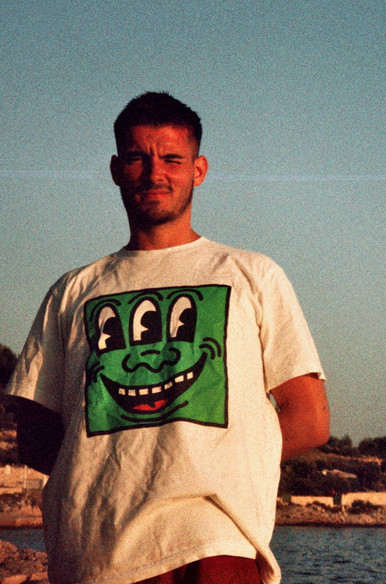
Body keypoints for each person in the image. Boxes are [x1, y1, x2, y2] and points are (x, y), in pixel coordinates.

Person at [6, 92, 329, 584]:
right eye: (138, 157)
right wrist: (118, 471)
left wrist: (206, 462)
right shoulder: (72, 291)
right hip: (96, 554)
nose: (155, 173)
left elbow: (310, 418)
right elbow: (35, 436)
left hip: (217, 544)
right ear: (116, 169)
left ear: (199, 170)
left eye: (172, 159)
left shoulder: (252, 275)